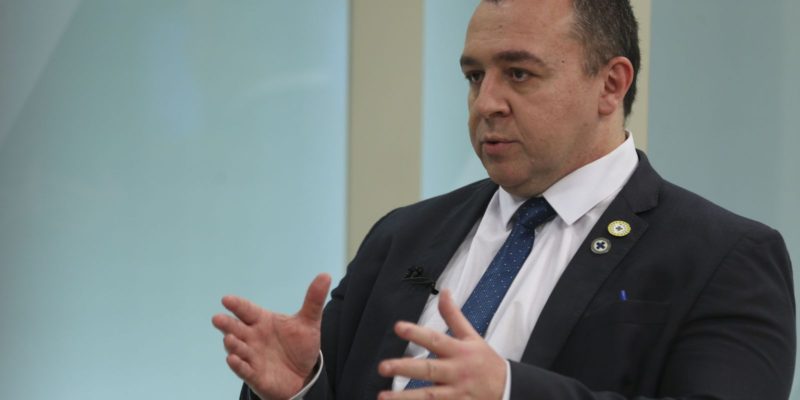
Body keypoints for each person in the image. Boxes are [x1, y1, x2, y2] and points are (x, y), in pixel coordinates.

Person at [212, 0, 796, 398]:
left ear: (611, 84)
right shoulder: (402, 236)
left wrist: (511, 392)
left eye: (518, 74)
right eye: (474, 76)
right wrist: (305, 387)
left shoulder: (725, 258)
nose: (486, 102)